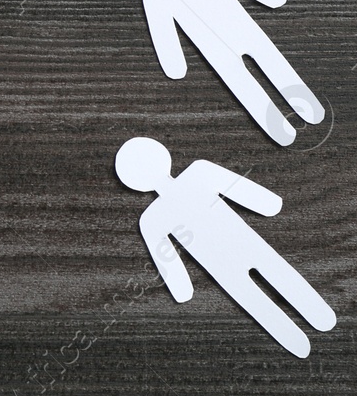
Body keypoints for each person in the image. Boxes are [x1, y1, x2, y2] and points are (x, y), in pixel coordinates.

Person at [115, 136, 336, 358]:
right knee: (277, 277)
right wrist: (269, 203)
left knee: (259, 299)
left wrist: (182, 290)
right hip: (240, 249)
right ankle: (318, 320)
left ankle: (309, 330)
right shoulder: (196, 175)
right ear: (163, 155)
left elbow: (165, 257)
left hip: (224, 262)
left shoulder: (152, 217)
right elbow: (238, 187)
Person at [127, 0, 322, 145]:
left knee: (248, 86)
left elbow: (167, 47)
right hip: (242, 31)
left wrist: (176, 67)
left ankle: (288, 128)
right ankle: (305, 115)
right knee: (272, 68)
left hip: (218, 47)